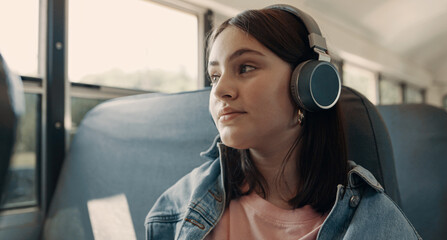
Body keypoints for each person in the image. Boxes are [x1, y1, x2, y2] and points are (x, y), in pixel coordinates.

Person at [145, 4, 421, 240]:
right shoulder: (182, 202)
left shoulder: (373, 221)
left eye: (246, 68)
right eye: (215, 76)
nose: (219, 91)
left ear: (310, 86)